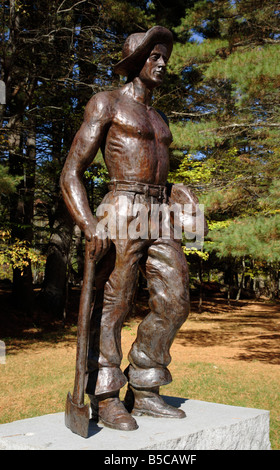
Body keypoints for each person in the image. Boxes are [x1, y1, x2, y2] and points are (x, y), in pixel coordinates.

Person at [60, 26, 203, 431]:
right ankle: (105, 395)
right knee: (115, 303)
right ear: (135, 61)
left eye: (165, 58)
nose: (162, 64)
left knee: (175, 300)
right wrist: (89, 224)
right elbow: (71, 173)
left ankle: (145, 384)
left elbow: (153, 168)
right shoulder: (106, 104)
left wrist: (179, 191)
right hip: (121, 208)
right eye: (154, 56)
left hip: (160, 212)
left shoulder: (158, 118)